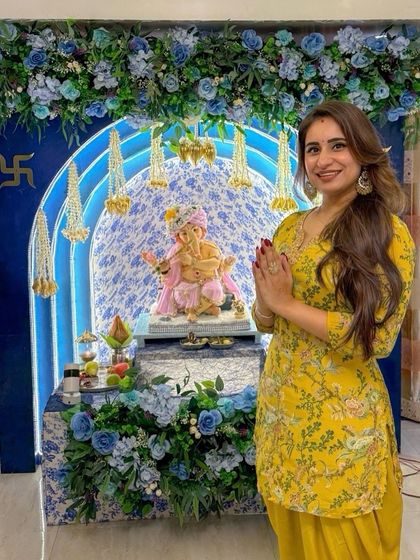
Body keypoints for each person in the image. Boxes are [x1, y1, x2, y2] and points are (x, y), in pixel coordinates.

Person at [251, 100, 415, 560]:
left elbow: (375, 339)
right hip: (283, 412)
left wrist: (286, 302)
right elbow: (267, 321)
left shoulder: (386, 233)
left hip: (342, 424)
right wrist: (266, 302)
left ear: (362, 152)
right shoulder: (290, 227)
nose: (323, 159)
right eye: (312, 149)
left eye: (337, 145)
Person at [142, 205, 242, 322]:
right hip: (185, 291)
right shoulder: (177, 251)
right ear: (178, 236)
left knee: (214, 290)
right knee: (181, 298)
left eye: (195, 230)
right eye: (184, 233)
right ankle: (206, 309)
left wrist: (193, 262)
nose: (191, 236)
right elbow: (170, 280)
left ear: (202, 230)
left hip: (206, 285)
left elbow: (215, 264)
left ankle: (196, 311)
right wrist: (162, 268)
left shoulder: (209, 246)